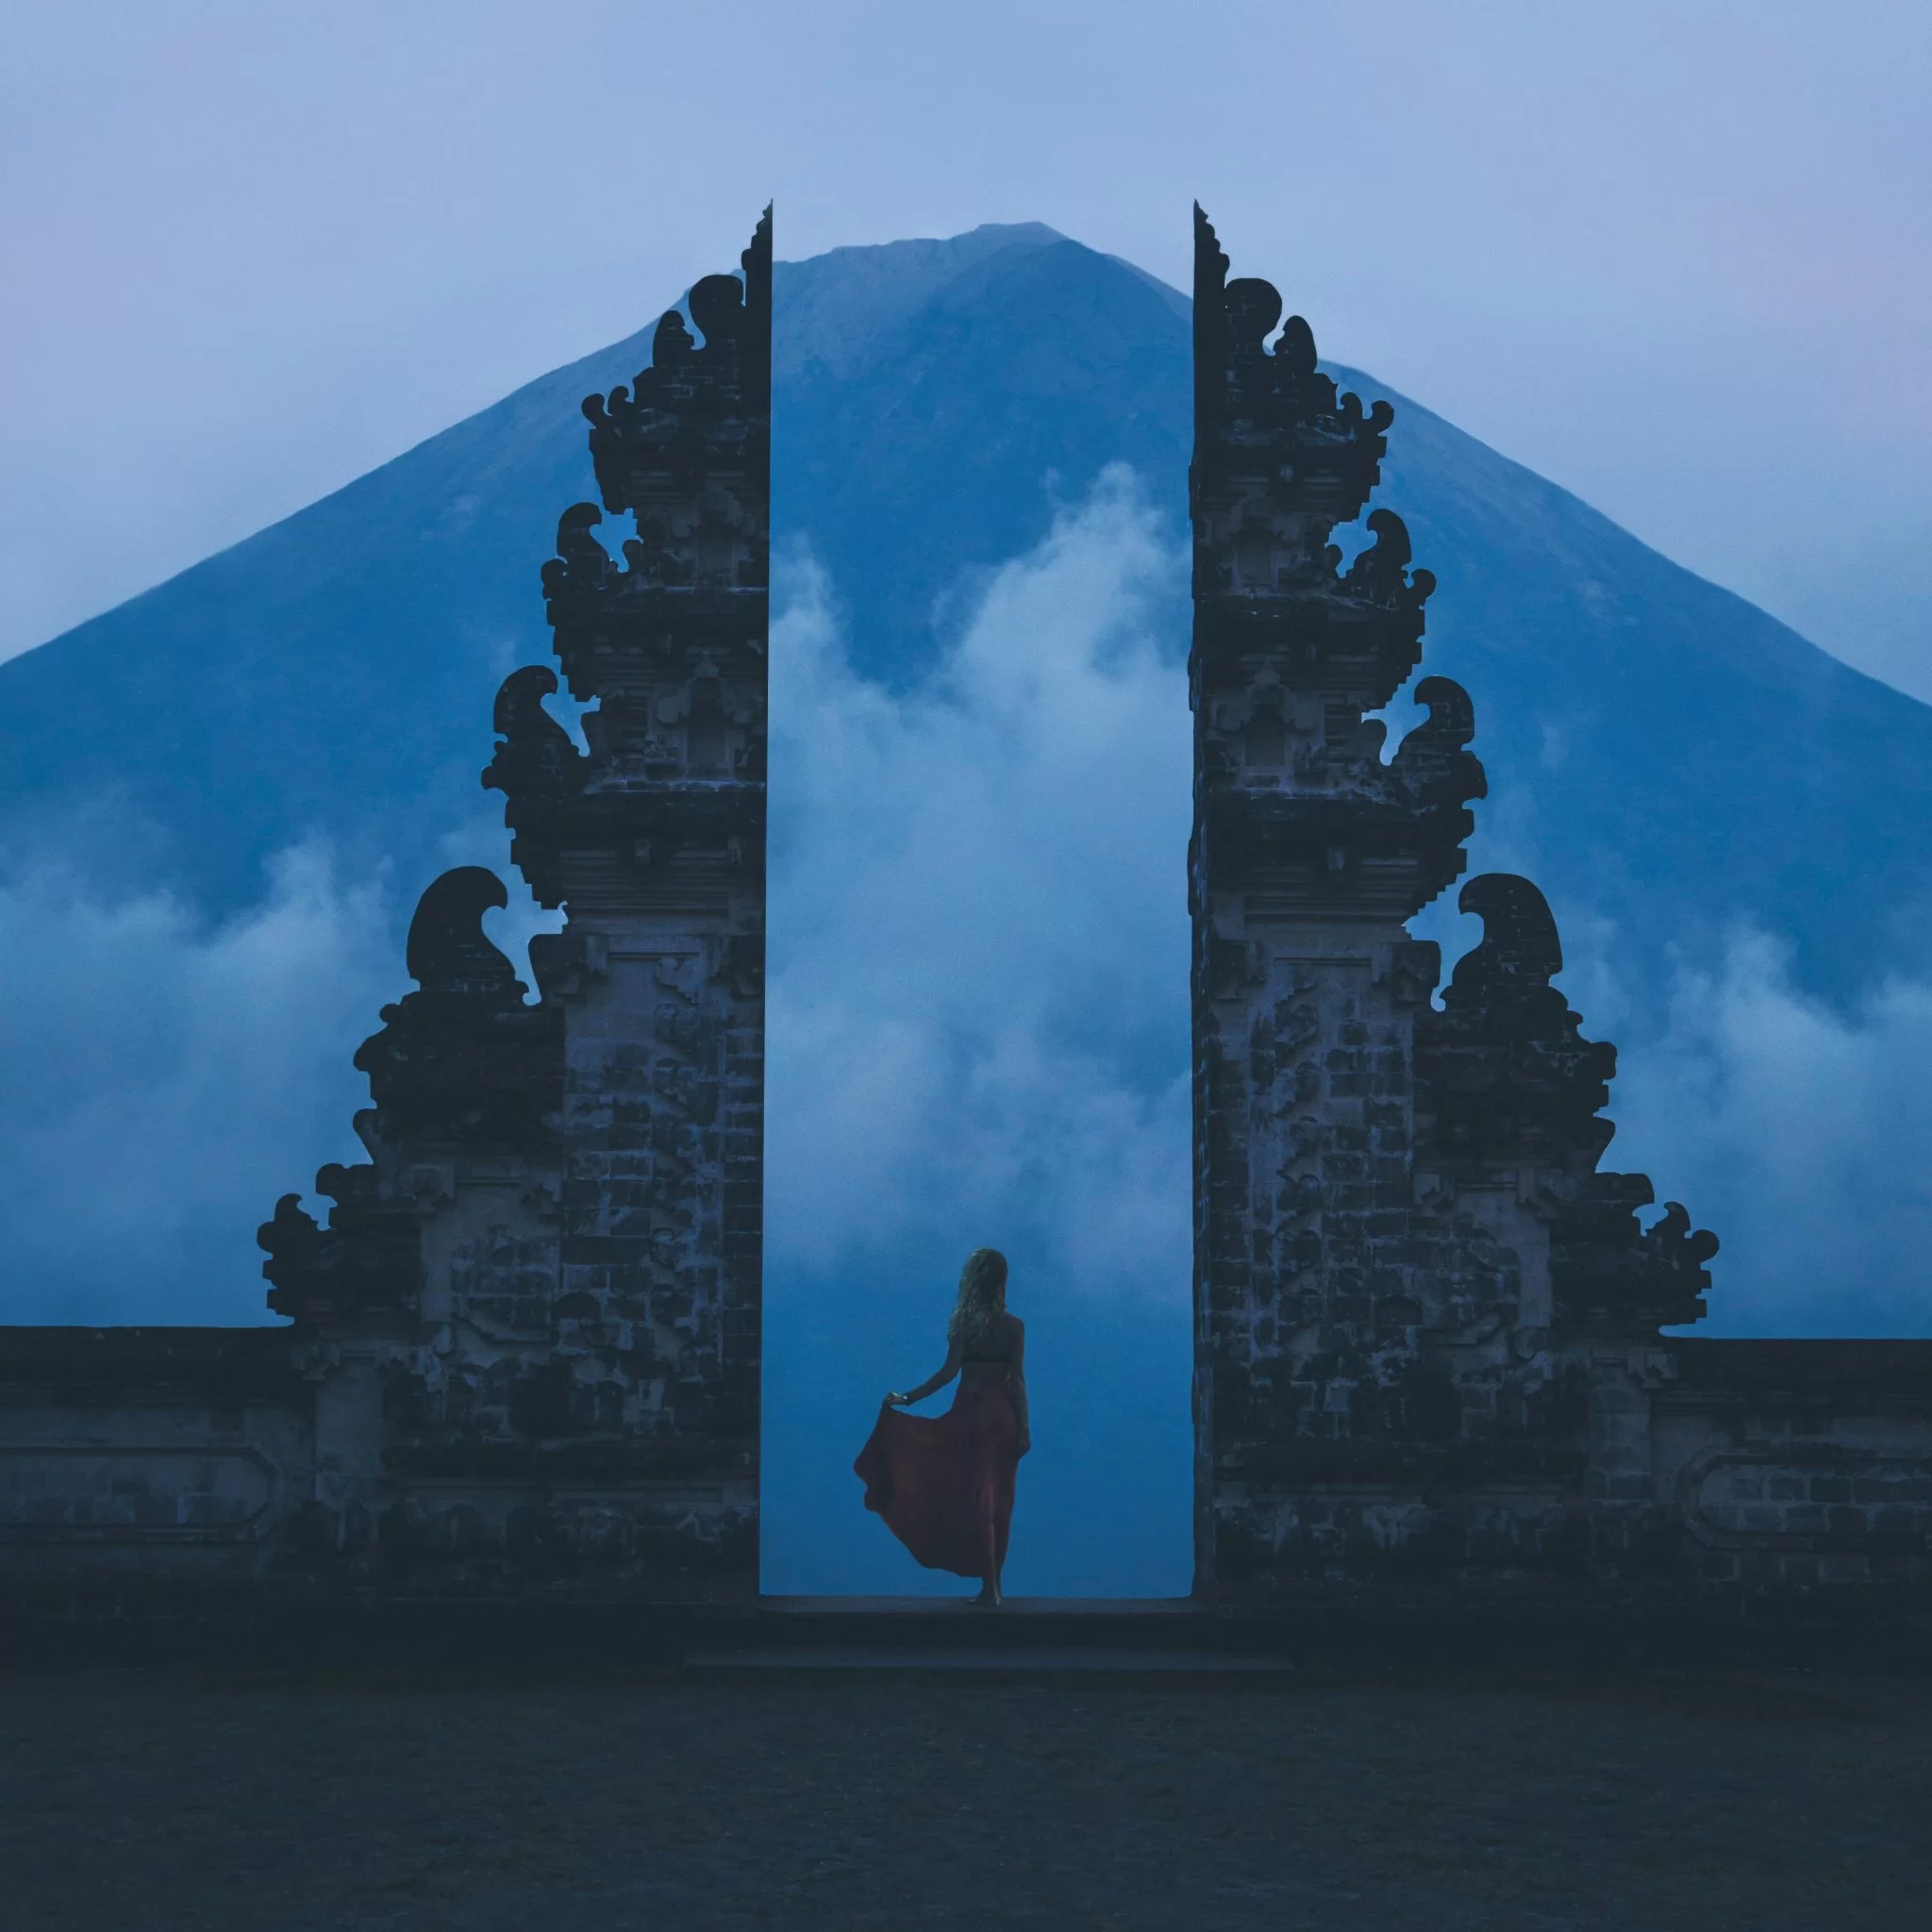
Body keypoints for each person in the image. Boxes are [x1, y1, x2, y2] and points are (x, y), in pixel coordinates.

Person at [853, 1247, 1030, 1606]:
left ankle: (990, 1590)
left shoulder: (965, 1324)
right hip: (1004, 1417)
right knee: (1002, 1500)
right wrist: (1024, 1428)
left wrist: (908, 1398)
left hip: (974, 1413)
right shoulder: (1014, 1327)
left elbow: (949, 1373)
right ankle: (994, 1586)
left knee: (978, 1499)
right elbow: (1017, 1381)